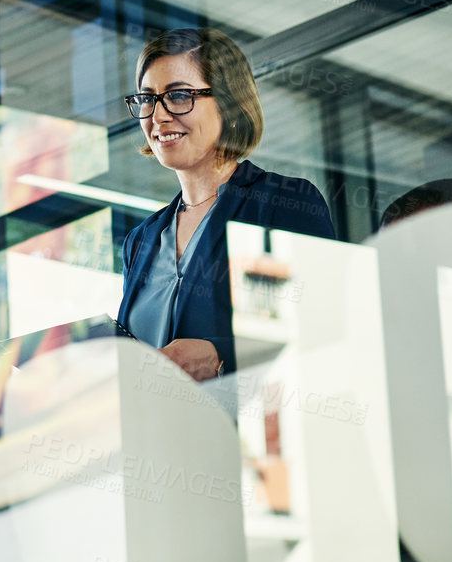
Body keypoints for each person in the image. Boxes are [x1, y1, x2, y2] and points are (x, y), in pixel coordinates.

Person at [116, 27, 336, 380]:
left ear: (229, 105)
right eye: (147, 100)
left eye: (179, 96)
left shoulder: (283, 203)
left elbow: (326, 330)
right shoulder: (141, 240)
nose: (158, 116)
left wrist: (220, 355)